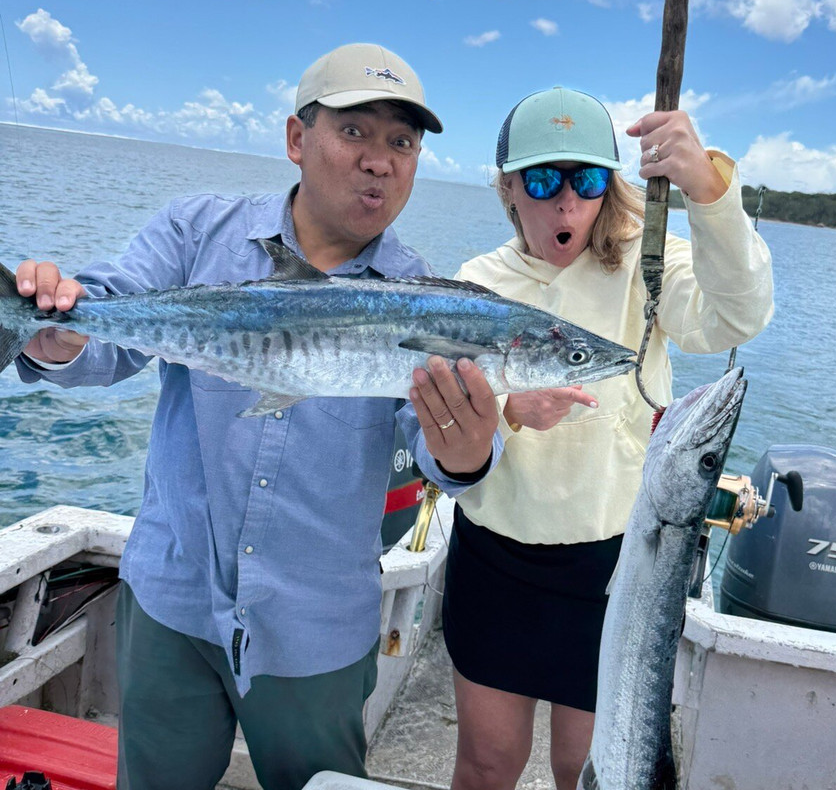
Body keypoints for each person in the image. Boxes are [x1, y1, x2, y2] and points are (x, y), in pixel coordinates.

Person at [13, 43, 502, 790]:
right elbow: (106, 339)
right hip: (172, 598)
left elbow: (439, 456)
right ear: (296, 139)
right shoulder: (196, 232)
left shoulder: (425, 297)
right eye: (355, 132)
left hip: (317, 628)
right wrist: (56, 330)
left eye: (402, 142)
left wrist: (466, 452)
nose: (380, 161)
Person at [442, 86, 774, 790]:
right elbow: (441, 421)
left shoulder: (648, 265)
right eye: (541, 180)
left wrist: (708, 192)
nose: (566, 203)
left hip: (613, 566)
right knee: (486, 763)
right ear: (507, 188)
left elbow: (737, 318)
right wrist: (506, 410)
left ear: (609, 186)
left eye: (586, 180)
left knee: (585, 769)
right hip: (494, 555)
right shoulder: (477, 284)